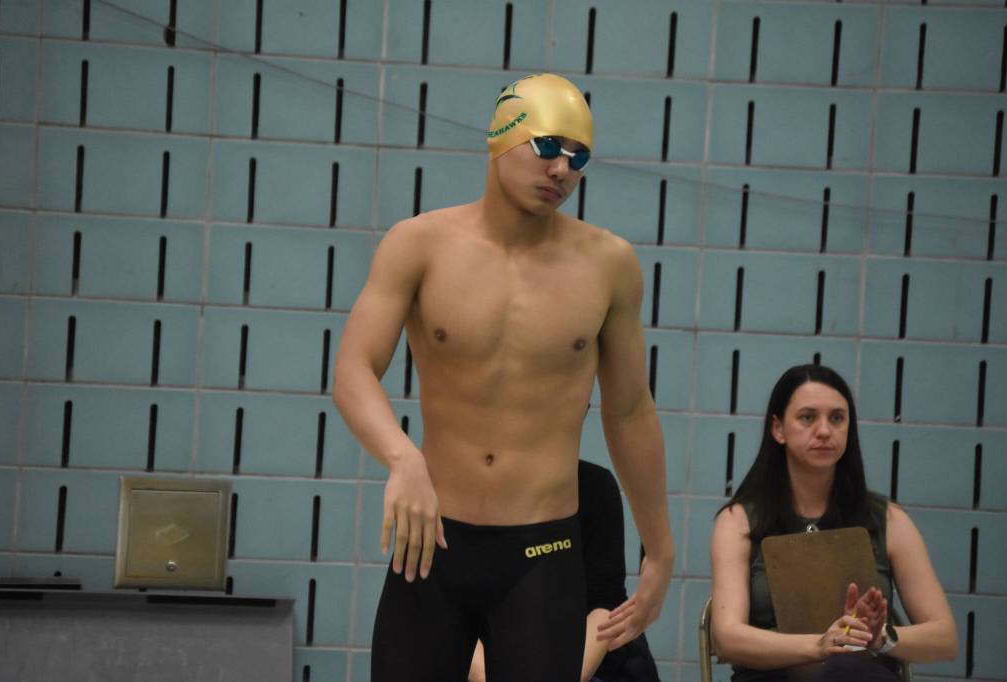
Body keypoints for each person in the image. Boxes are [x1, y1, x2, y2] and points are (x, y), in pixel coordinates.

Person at [333, 73, 674, 682]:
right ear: (500, 139)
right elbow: (354, 369)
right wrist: (403, 459)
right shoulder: (419, 245)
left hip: (542, 553)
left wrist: (661, 549)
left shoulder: (609, 265)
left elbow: (629, 412)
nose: (563, 169)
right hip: (431, 545)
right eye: (547, 147)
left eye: (579, 157)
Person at [710, 364, 957, 682]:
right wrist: (820, 645)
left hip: (859, 674)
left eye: (837, 418)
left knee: (849, 671)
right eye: (807, 417)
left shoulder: (889, 519)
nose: (824, 431)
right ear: (778, 429)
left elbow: (945, 639)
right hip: (771, 677)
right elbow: (728, 640)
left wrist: (880, 637)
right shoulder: (739, 520)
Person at [468, 459, 661, 682]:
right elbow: (449, 604)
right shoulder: (459, 490)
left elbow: (605, 603)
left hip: (589, 660)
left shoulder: (593, 486)